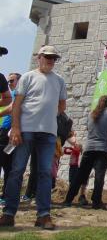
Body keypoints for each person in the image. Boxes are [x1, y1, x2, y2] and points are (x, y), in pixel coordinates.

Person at [0, 45, 67, 230]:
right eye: (48, 57)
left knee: (45, 173)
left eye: (54, 58)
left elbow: (62, 106)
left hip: (48, 133)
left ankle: (43, 215)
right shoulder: (28, 76)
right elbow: (17, 104)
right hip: (26, 130)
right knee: (16, 171)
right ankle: (8, 213)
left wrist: (47, 114)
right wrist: (15, 128)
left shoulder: (59, 80)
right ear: (39, 57)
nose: (51, 60)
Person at [64, 95, 107, 209]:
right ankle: (96, 201)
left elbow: (89, 129)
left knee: (80, 175)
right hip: (103, 149)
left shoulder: (91, 114)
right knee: (99, 176)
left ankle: (68, 199)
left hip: (89, 148)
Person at [0, 73, 21, 205]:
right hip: (5, 132)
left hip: (8, 133)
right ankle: (6, 194)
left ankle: (6, 195)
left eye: (12, 81)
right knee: (7, 162)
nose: (9, 83)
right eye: (8, 82)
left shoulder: (18, 93)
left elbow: (11, 107)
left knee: (7, 163)